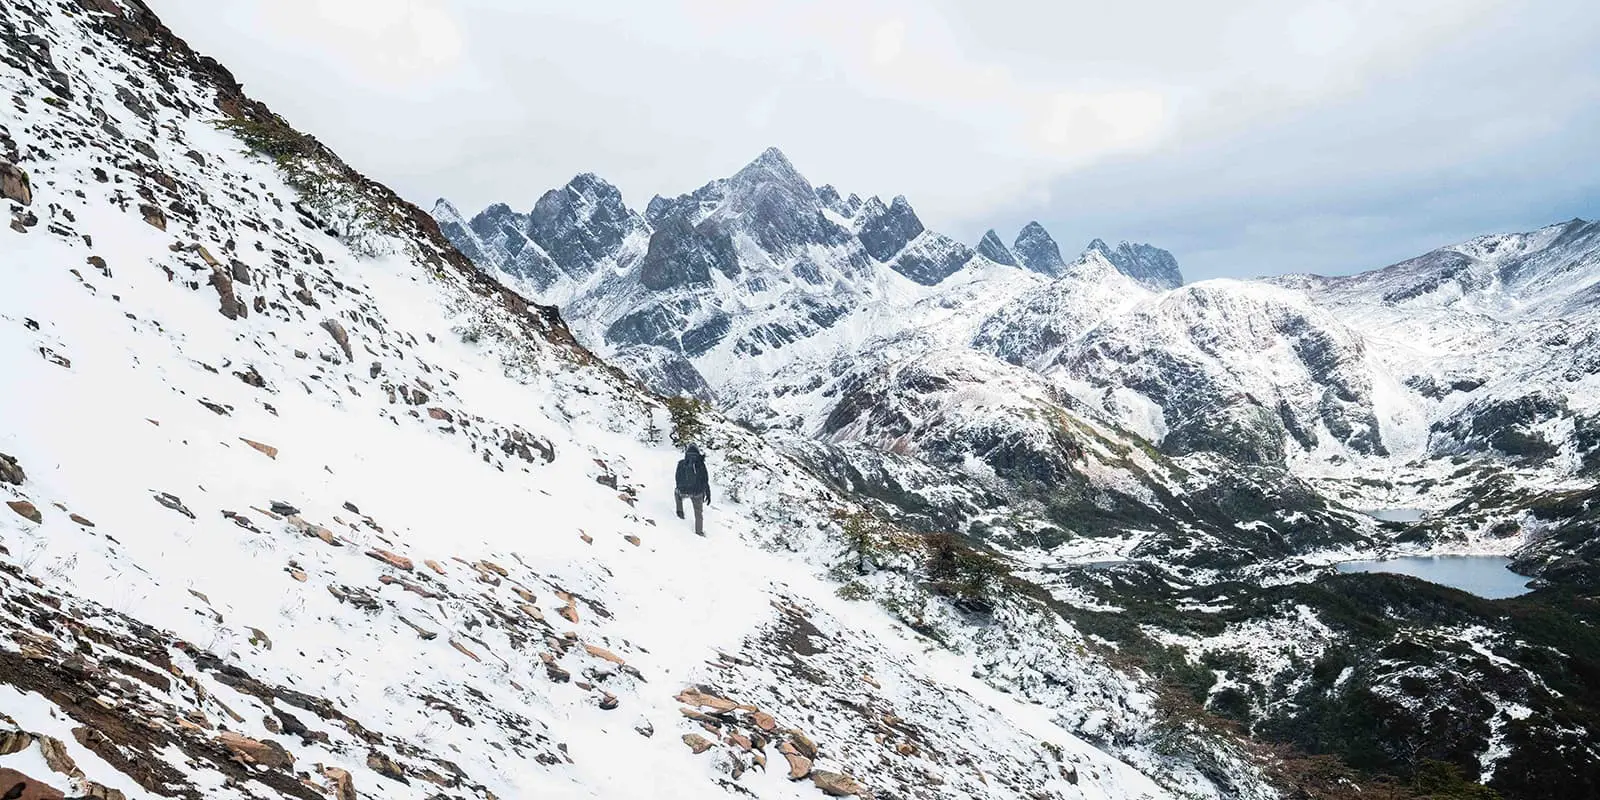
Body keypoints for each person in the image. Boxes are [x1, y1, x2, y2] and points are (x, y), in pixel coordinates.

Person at [674, 444, 711, 536]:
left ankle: (680, 513)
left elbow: (677, 477)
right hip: (697, 493)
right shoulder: (701, 464)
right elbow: (705, 480)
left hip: (683, 491)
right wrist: (707, 493)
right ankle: (699, 532)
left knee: (676, 493)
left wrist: (680, 488)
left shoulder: (681, 463)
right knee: (698, 513)